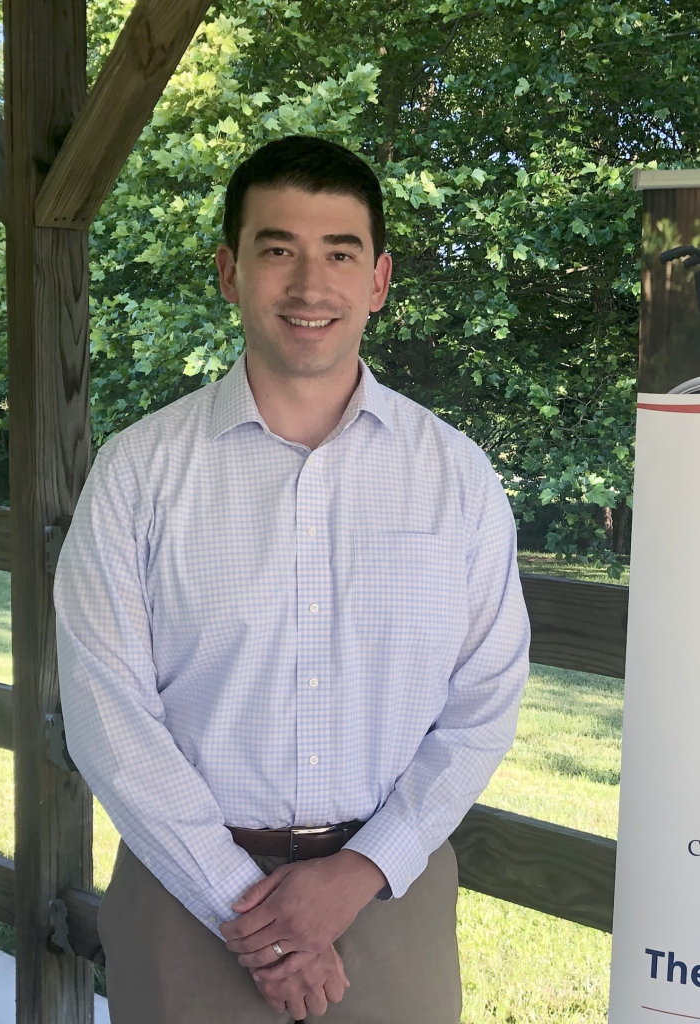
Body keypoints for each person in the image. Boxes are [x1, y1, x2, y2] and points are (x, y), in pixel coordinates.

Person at [54, 134, 530, 1024]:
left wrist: (361, 869)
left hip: (387, 901)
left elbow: (485, 700)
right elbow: (105, 711)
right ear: (229, 272)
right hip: (182, 907)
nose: (310, 286)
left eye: (340, 254)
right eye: (278, 251)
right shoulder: (138, 472)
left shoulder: (455, 476)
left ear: (378, 280)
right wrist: (244, 906)